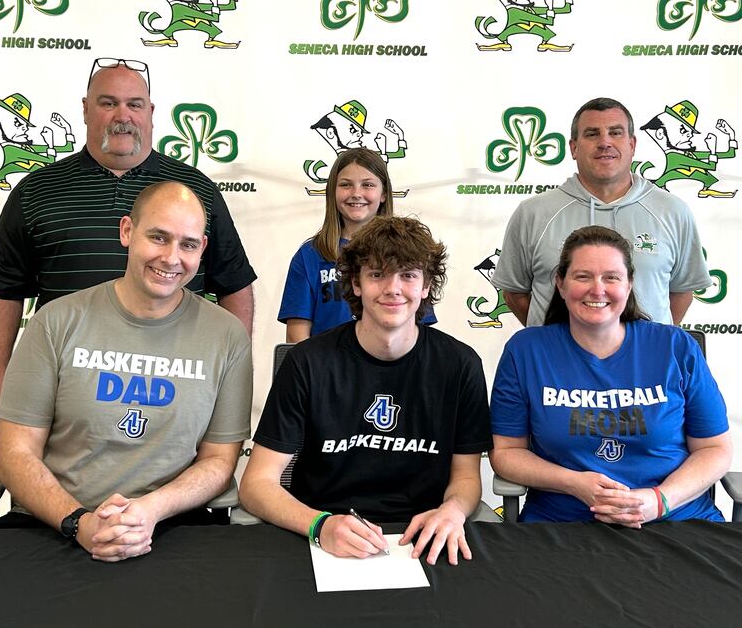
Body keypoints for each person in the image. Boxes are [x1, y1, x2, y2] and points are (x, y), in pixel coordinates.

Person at [0, 57, 256, 429]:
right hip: (62, 387)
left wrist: (229, 377)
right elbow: (2, 290)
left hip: (173, 385)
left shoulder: (195, 191)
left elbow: (234, 285)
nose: (122, 115)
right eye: (108, 103)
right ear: (86, 110)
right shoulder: (36, 191)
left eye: (134, 104)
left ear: (151, 112)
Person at [0, 181, 253, 562]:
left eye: (188, 244)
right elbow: (14, 451)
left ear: (203, 251)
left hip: (171, 527)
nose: (171, 258)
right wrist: (79, 522)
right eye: (158, 237)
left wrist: (148, 511)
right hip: (54, 526)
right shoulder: (56, 321)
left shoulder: (227, 335)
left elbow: (218, 462)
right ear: (127, 231)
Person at [241, 216, 492, 566]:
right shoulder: (307, 363)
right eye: (377, 274)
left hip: (422, 535)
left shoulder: (460, 365)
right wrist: (319, 525)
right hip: (320, 532)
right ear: (356, 284)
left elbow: (466, 475)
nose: (393, 288)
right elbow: (257, 483)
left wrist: (452, 511)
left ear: (425, 287)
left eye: (407, 274)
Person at [490, 225, 732, 524]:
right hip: (564, 524)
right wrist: (573, 483)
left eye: (611, 277)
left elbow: (714, 448)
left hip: (676, 519)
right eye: (582, 276)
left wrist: (659, 500)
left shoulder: (675, 347)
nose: (597, 289)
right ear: (561, 284)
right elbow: (507, 452)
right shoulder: (526, 350)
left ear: (629, 285)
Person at [491, 96, 711, 327]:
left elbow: (681, 291)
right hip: (559, 362)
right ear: (574, 148)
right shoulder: (533, 213)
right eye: (592, 134)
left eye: (615, 133)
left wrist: (647, 343)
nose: (605, 142)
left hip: (644, 361)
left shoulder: (673, 212)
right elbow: (515, 294)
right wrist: (554, 342)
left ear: (632, 145)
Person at [279, 148, 434, 342]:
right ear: (332, 192)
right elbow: (297, 338)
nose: (356, 193)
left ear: (384, 194)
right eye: (346, 185)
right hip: (326, 368)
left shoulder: (409, 251)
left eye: (367, 185)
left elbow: (420, 331)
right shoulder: (309, 255)